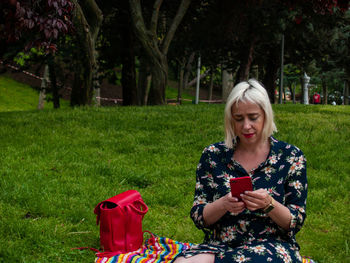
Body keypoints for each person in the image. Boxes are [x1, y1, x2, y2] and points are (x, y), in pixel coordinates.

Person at [175, 79, 307, 263]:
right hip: (221, 245)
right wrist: (223, 205)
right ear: (231, 120)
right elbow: (199, 216)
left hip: (271, 247)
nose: (246, 126)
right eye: (239, 119)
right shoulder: (213, 155)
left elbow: (295, 221)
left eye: (253, 117)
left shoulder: (290, 156)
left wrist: (269, 204)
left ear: (266, 116)